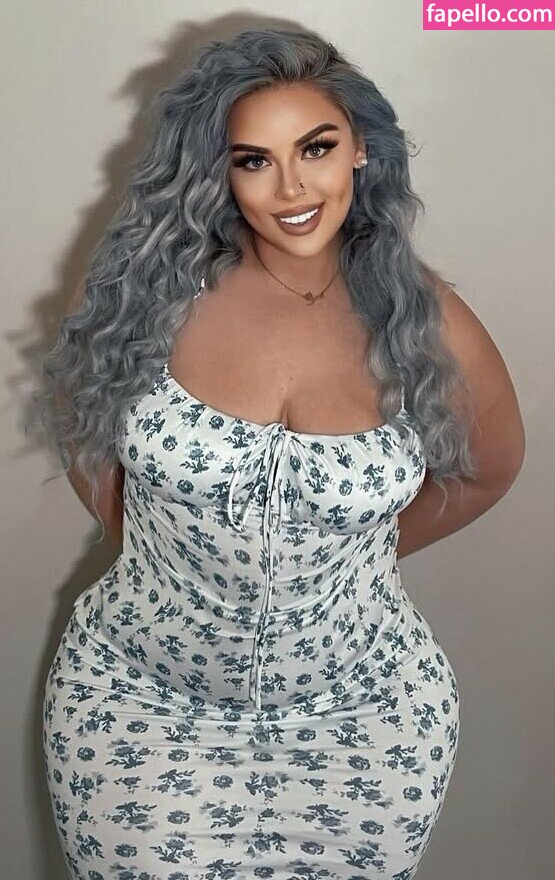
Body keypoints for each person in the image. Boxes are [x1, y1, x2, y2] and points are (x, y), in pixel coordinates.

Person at [39, 28, 525, 880]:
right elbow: (87, 427)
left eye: (316, 148)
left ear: (360, 149)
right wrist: (169, 555)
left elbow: (489, 469)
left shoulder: (429, 324)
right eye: (253, 160)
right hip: (141, 706)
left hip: (363, 719)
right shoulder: (140, 295)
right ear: (218, 172)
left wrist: (347, 564)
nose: (291, 188)